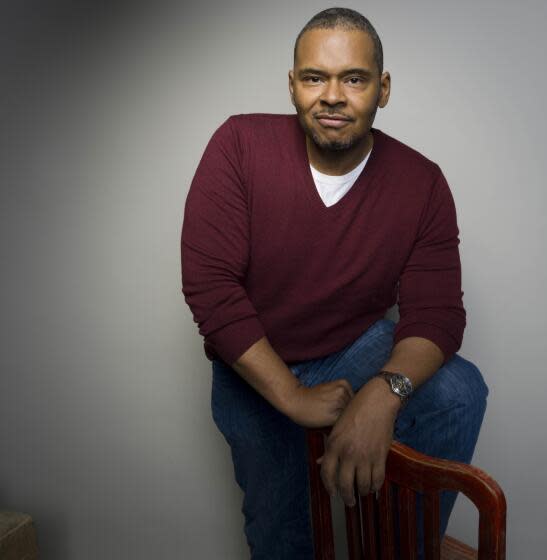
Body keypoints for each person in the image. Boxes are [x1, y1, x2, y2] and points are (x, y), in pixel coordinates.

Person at [180, 7, 489, 559]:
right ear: (293, 85)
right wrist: (292, 396)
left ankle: (406, 547)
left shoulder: (422, 182)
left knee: (458, 392)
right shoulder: (239, 144)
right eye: (314, 77)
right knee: (282, 538)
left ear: (383, 88)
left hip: (351, 348)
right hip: (254, 367)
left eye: (354, 77)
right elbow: (211, 286)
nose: (332, 95)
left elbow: (437, 313)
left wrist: (383, 394)